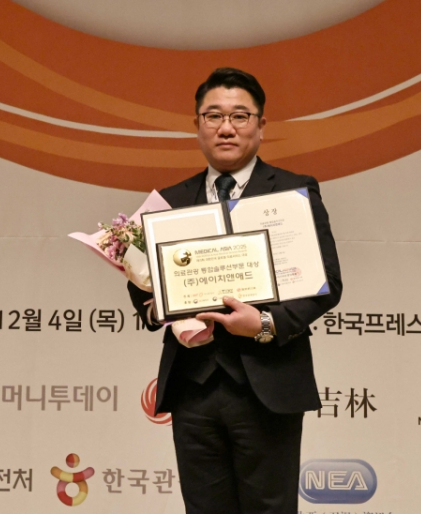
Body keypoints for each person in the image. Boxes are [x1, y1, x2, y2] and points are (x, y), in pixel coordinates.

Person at [127, 67, 343, 514]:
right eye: (214, 116)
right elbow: (143, 287)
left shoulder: (294, 191)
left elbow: (325, 284)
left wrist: (263, 323)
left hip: (269, 382)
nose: (226, 128)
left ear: (261, 126)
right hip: (193, 386)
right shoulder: (169, 201)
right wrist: (166, 312)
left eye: (240, 116)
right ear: (197, 125)